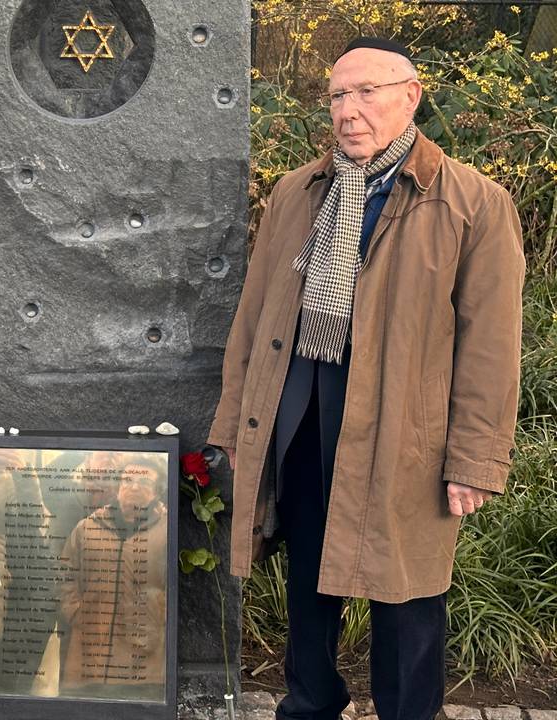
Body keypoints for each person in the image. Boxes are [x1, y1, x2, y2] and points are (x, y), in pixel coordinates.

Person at [208, 37, 524, 720]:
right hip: (299, 415)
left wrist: (474, 459)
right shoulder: (298, 191)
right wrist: (235, 424)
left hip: (404, 430)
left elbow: (490, 348)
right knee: (309, 585)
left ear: (410, 96)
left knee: (407, 590)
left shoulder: (472, 202)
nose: (349, 110)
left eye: (367, 92)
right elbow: (254, 314)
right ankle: (310, 706)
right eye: (338, 95)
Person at [56, 462, 167, 700]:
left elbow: (176, 587)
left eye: (144, 482)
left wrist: (159, 616)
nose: (134, 487)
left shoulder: (167, 532)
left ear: (157, 492)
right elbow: (66, 574)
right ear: (117, 487)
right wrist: (75, 612)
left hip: (143, 654)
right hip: (90, 649)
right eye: (128, 480)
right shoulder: (87, 528)